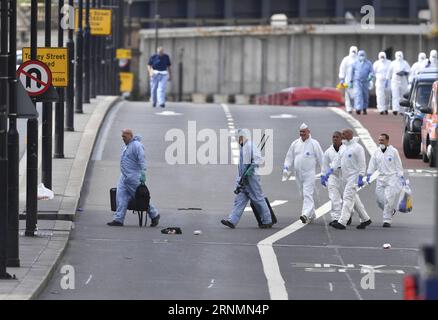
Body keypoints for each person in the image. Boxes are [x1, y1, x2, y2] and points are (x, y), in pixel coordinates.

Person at [221, 129, 273, 229]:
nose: (236, 140)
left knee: (258, 199)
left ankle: (267, 220)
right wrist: (239, 180)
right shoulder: (243, 147)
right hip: (243, 179)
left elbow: (257, 159)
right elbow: (241, 166)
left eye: (237, 138)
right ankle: (232, 220)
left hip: (252, 178)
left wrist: (249, 171)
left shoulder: (250, 146)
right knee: (240, 199)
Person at [107, 129, 160, 227]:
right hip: (124, 176)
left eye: (124, 136)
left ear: (130, 136)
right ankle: (118, 219)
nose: (123, 138)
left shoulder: (137, 146)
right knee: (121, 196)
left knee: (141, 197)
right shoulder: (126, 146)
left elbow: (142, 160)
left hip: (133, 177)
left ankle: (154, 214)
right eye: (122, 136)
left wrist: (143, 174)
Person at [323, 129, 372, 230]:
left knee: (347, 198)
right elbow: (337, 160)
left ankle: (342, 222)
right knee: (355, 199)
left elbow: (362, 163)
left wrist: (361, 177)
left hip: (354, 177)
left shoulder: (358, 148)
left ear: (350, 135)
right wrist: (329, 171)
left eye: (344, 134)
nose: (342, 135)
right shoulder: (343, 147)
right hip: (345, 178)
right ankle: (365, 219)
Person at [283, 123, 323, 224]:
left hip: (309, 173)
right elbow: (289, 157)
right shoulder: (295, 143)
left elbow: (321, 159)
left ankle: (304, 214)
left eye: (304, 132)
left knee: (307, 194)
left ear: (308, 132)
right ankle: (312, 214)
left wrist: (324, 173)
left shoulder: (314, 144)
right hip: (298, 174)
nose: (302, 134)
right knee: (303, 195)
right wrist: (286, 168)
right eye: (300, 132)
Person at [366, 133, 405, 228]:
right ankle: (391, 211)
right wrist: (369, 174)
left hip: (391, 178)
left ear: (387, 141)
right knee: (379, 200)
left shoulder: (393, 151)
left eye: (382, 140)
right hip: (381, 178)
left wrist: (401, 177)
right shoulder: (376, 152)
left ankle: (387, 220)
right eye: (379, 140)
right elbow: (372, 164)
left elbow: (398, 165)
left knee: (388, 199)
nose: (380, 142)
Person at [349, 50, 374, 115]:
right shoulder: (354, 63)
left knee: (365, 95)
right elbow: (351, 73)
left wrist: (370, 76)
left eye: (363, 55)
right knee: (358, 94)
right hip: (357, 81)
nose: (361, 57)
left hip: (365, 81)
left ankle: (364, 108)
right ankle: (358, 108)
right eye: (360, 55)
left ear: (365, 56)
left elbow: (372, 71)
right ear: (358, 56)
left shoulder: (368, 63)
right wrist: (351, 81)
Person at [387, 51, 410, 116]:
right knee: (395, 96)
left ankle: (402, 110)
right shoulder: (393, 63)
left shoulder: (405, 63)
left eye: (400, 55)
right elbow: (389, 72)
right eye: (398, 55)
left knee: (403, 96)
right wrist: (387, 80)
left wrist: (404, 73)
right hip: (395, 81)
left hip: (403, 81)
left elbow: (408, 71)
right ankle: (395, 109)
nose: (399, 57)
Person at [339, 46, 358, 114]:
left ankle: (356, 107)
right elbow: (342, 69)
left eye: (354, 51)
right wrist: (342, 78)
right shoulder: (346, 59)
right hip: (348, 79)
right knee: (348, 94)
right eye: (352, 51)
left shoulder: (358, 59)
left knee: (356, 94)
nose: (353, 52)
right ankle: (349, 108)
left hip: (356, 80)